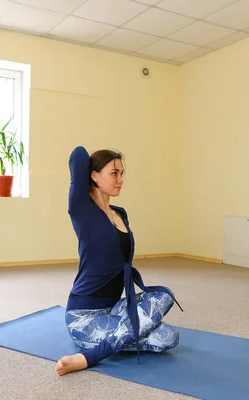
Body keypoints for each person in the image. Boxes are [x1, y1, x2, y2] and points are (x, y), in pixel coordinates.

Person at [55, 145, 183, 376]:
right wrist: (99, 164)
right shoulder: (81, 209)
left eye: (122, 173)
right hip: (84, 317)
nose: (120, 179)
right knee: (158, 333)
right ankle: (89, 356)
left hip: (115, 309)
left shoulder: (120, 213)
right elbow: (78, 154)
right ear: (94, 175)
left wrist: (110, 167)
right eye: (114, 173)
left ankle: (113, 337)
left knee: (168, 326)